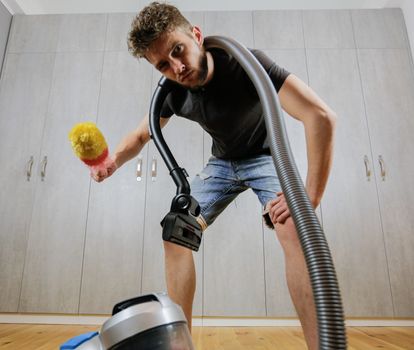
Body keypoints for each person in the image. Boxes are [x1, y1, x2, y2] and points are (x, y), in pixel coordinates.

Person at [92, 2, 337, 349]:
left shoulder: (248, 64)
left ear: (196, 35)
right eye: (163, 64)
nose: (176, 67)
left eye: (178, 50)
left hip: (266, 157)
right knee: (176, 231)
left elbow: (320, 116)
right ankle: (181, 344)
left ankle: (322, 345)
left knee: (295, 226)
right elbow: (142, 134)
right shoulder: (172, 91)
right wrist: (113, 161)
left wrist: (309, 196)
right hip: (222, 165)